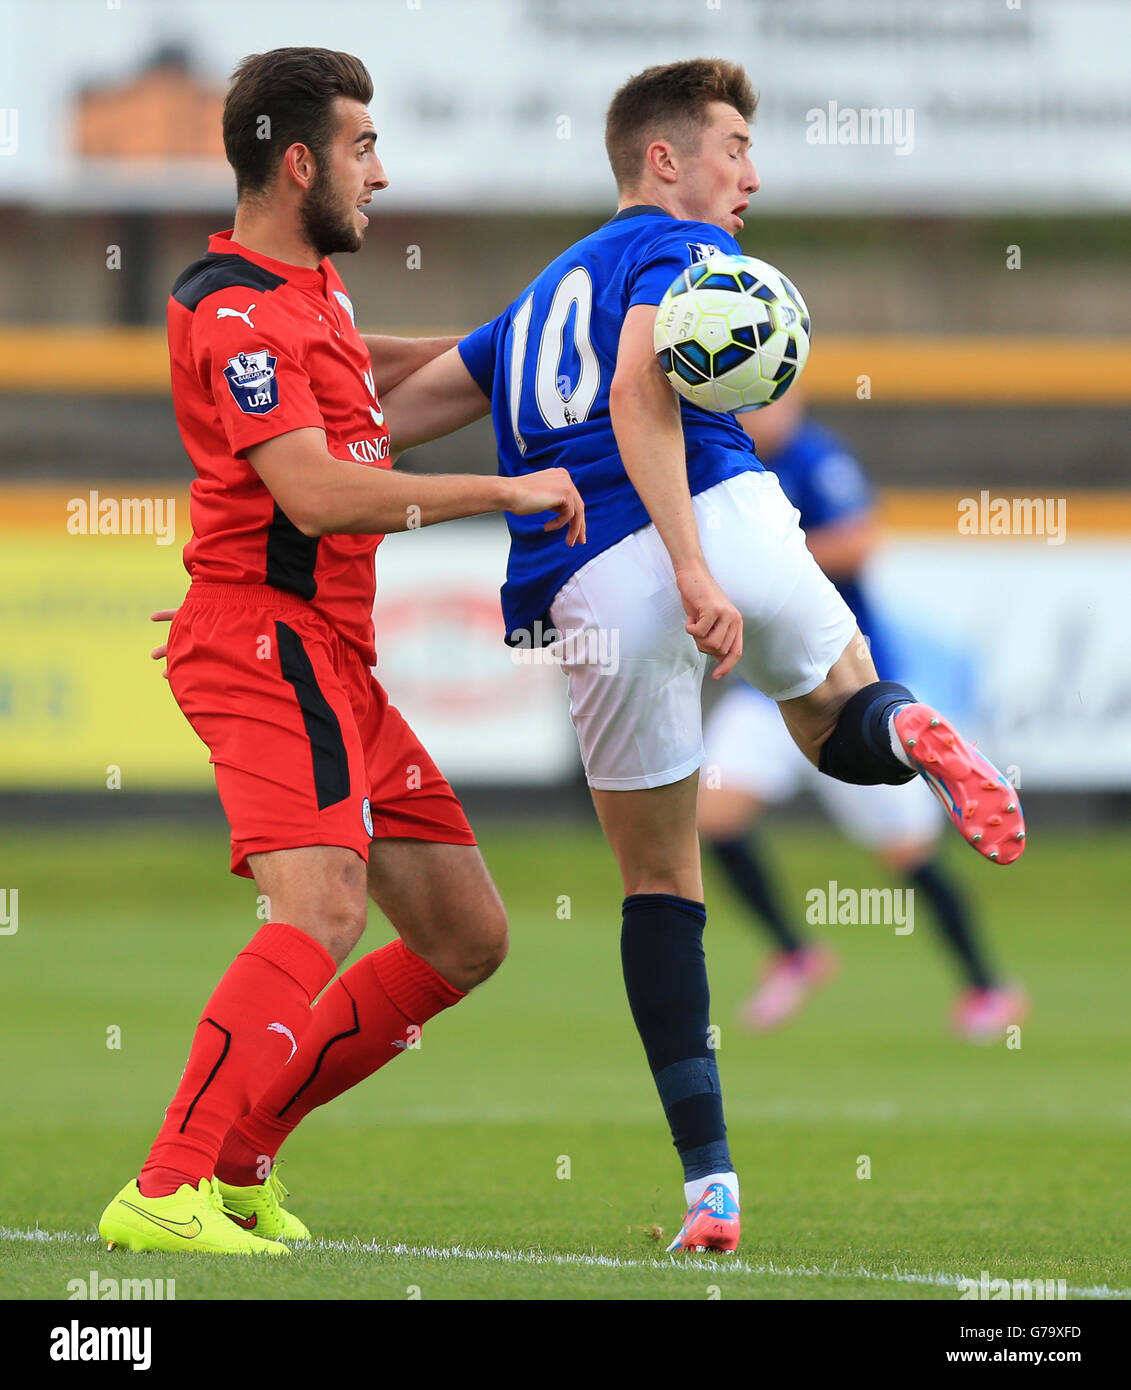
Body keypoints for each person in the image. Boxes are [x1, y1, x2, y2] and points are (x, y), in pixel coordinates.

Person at [361, 57, 1025, 1255]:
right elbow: (640, 391)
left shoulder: (534, 301)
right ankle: (908, 727)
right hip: (722, 518)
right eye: (732, 149)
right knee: (842, 721)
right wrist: (701, 569)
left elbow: (391, 419)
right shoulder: (671, 251)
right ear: (662, 160)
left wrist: (274, 426)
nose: (750, 176)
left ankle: (710, 1186)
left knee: (663, 889)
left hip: (593, 576)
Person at [97, 47, 583, 1256]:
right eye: (364, 148)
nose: (382, 172)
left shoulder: (311, 294)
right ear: (301, 160)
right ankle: (165, 1186)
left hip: (332, 657)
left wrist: (546, 341)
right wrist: (501, 490)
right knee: (319, 903)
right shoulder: (238, 307)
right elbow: (315, 492)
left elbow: (396, 387)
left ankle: (242, 1161)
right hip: (266, 642)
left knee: (467, 932)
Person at [698, 389, 1028, 1038]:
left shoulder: (814, 457)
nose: (766, 412)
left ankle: (987, 986)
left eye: (777, 397)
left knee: (906, 852)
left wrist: (763, 562)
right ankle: (794, 953)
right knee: (713, 815)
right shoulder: (716, 457)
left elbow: (856, 544)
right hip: (762, 690)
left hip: (838, 680)